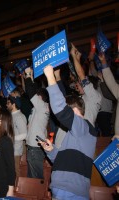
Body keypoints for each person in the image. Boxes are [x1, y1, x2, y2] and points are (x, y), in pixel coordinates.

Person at [39, 65, 97, 200]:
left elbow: (60, 109)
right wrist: (51, 150)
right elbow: (60, 160)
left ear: (73, 109)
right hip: (60, 190)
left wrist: (50, 77)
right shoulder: (74, 132)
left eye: (67, 108)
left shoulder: (84, 128)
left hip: (72, 192)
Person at [6, 95, 27, 177]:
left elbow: (24, 134)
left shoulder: (19, 116)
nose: (6, 105)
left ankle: (17, 188)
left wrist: (11, 138)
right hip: (10, 148)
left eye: (8, 103)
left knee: (15, 171)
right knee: (11, 171)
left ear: (13, 104)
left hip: (16, 150)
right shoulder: (12, 115)